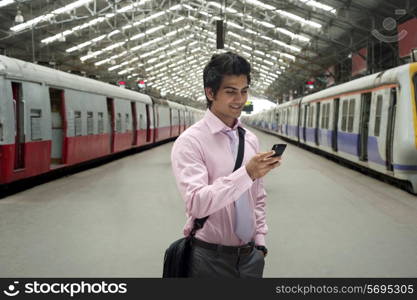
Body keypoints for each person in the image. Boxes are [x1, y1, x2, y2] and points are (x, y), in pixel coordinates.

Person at [171, 52, 282, 278]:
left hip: (250, 256)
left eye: (244, 91)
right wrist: (247, 173)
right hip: (209, 258)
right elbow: (197, 203)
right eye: (231, 92)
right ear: (210, 93)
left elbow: (257, 196)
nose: (240, 100)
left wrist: (260, 242)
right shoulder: (191, 142)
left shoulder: (249, 139)